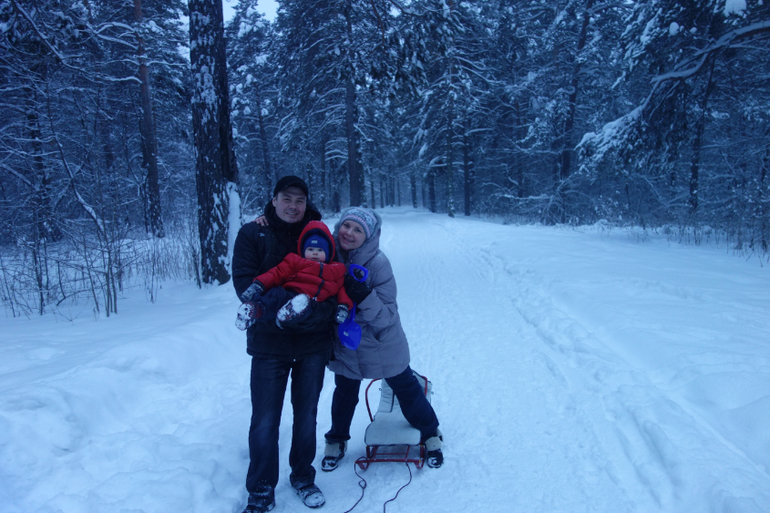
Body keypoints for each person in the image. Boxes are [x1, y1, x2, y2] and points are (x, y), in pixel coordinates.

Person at [232, 176, 336, 513]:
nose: (293, 206)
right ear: (274, 199)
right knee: (265, 419)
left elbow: (335, 283)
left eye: (299, 200)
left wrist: (308, 315)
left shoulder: (320, 235)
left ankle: (303, 477)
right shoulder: (253, 233)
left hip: (312, 342)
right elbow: (246, 287)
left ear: (307, 203)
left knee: (306, 415)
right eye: (286, 199)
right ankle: (261, 490)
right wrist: (284, 314)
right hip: (269, 341)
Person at [322, 207, 444, 471]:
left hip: (381, 342)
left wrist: (364, 295)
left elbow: (386, 315)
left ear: (368, 236)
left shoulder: (378, 263)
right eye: (346, 226)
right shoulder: (326, 254)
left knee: (405, 387)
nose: (349, 233)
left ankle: (430, 433)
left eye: (358, 230)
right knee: (344, 393)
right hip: (346, 343)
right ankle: (336, 440)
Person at [235, 220, 353, 331]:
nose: (315, 253)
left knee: (306, 309)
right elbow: (277, 273)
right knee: (277, 295)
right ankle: (255, 310)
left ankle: (288, 315)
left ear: (328, 253)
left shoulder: (336, 269)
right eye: (310, 249)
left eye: (320, 250)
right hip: (291, 294)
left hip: (313, 302)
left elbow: (341, 290)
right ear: (303, 250)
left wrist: (343, 306)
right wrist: (260, 284)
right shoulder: (296, 261)